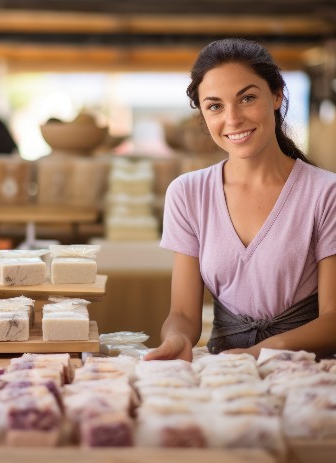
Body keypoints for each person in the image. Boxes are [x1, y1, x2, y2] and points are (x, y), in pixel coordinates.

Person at [144, 38, 336, 362]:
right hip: (228, 374)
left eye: (246, 98)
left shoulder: (326, 193)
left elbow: (333, 320)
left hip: (309, 374)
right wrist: (177, 338)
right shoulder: (187, 194)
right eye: (215, 106)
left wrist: (261, 352)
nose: (232, 119)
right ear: (203, 114)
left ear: (276, 95)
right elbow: (184, 315)